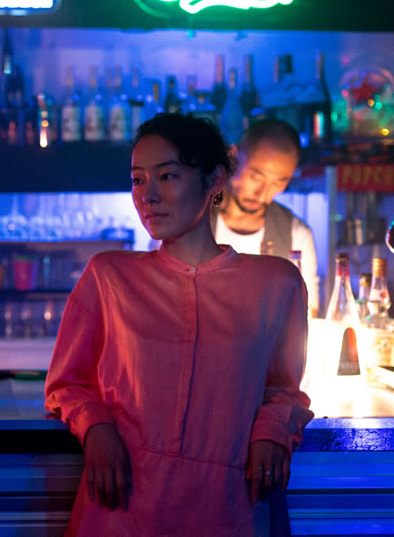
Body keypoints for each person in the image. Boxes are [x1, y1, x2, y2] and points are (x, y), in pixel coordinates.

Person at [44, 113, 313, 536]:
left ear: (215, 179)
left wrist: (272, 430)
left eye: (167, 176)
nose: (147, 195)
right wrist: (96, 429)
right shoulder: (109, 276)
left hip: (231, 503)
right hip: (123, 504)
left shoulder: (277, 283)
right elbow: (67, 383)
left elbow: (284, 390)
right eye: (137, 180)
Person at [214, 118, 320, 316]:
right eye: (256, 177)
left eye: (277, 183)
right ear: (232, 158)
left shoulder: (296, 234)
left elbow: (308, 311)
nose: (263, 194)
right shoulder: (191, 221)